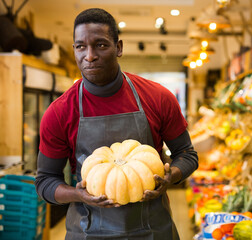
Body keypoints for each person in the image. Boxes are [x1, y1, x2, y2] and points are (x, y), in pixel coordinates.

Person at [35, 8, 198, 240]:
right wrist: (78, 194)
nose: (89, 56)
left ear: (118, 47)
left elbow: (187, 154)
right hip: (87, 232)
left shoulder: (158, 97)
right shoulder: (59, 112)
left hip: (153, 231)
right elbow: (45, 182)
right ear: (74, 50)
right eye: (81, 46)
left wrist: (170, 176)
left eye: (100, 45)